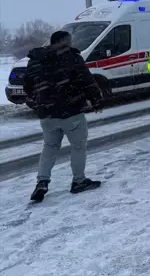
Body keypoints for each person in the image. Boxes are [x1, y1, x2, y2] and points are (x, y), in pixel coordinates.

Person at [24, 30, 103, 203]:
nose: (71, 42)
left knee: (50, 147)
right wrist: (96, 100)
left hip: (47, 113)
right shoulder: (72, 57)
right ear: (63, 41)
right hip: (71, 110)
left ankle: (42, 182)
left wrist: (39, 103)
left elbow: (28, 86)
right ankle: (79, 182)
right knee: (78, 146)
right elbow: (87, 80)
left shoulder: (35, 60)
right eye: (69, 40)